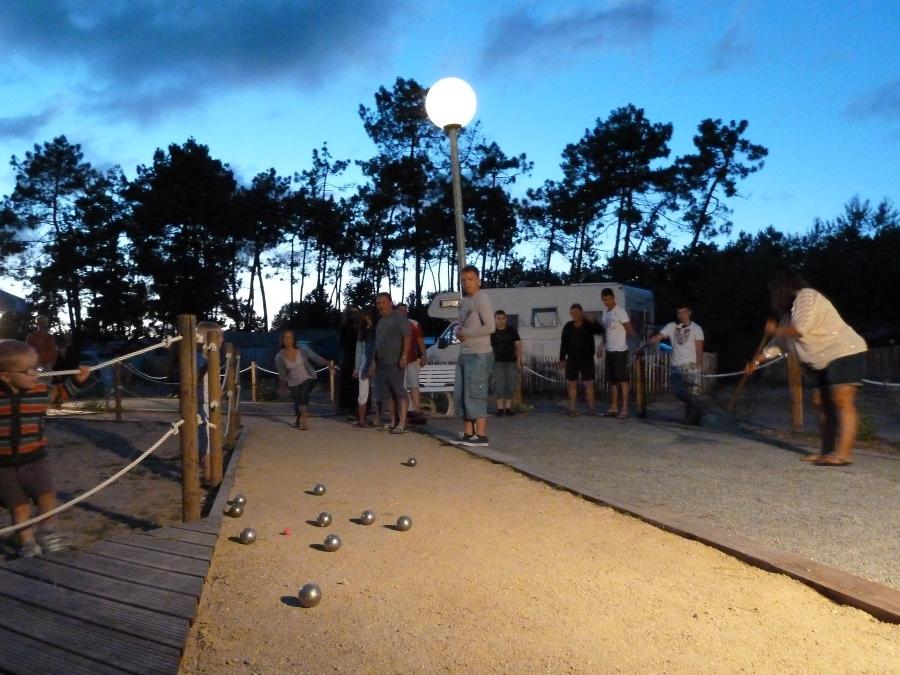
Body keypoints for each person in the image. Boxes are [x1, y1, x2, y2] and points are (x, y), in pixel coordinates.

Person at [746, 270, 867, 466]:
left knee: (842, 401)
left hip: (843, 350)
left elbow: (800, 329)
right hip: (820, 361)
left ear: (783, 288)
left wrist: (775, 330)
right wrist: (756, 362)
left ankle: (843, 454)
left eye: (774, 292)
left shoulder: (806, 296)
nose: (773, 298)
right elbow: (779, 344)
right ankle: (826, 452)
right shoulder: (787, 315)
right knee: (820, 402)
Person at [0, 340, 89, 557]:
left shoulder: (39, 390)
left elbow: (59, 394)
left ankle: (46, 533)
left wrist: (76, 381)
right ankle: (27, 542)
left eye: (37, 368)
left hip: (36, 460)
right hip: (4, 466)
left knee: (47, 497)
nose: (36, 374)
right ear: (5, 376)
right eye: (29, 370)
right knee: (19, 507)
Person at [454, 265, 496, 446]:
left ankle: (481, 435)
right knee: (462, 392)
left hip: (479, 353)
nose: (467, 283)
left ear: (478, 280)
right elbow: (461, 324)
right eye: (463, 280)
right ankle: (468, 432)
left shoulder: (482, 298)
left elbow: (490, 327)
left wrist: (467, 333)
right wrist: (458, 330)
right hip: (465, 352)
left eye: (470, 279)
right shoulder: (464, 301)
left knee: (476, 392)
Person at [646, 305, 705, 424]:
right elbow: (659, 337)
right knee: (676, 391)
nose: (681, 315)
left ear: (689, 313)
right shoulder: (672, 326)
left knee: (691, 393)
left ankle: (691, 419)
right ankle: (697, 409)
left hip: (690, 364)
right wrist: (646, 343)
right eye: (679, 313)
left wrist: (698, 364)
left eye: (684, 312)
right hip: (675, 365)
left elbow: (699, 348)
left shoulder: (696, 328)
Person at [370, 293, 410, 434]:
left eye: (383, 302)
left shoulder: (398, 317)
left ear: (390, 302)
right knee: (387, 394)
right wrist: (374, 361)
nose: (380, 305)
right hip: (382, 362)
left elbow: (407, 336)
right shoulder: (380, 321)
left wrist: (404, 356)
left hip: (395, 361)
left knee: (399, 391)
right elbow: (377, 342)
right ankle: (393, 421)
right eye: (378, 303)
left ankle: (402, 423)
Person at [275, 329, 330, 431]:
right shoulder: (279, 357)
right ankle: (298, 419)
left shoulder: (302, 349)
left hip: (308, 377)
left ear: (293, 339)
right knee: (298, 402)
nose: (287, 340)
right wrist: (282, 387)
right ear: (282, 340)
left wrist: (329, 364)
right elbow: (282, 374)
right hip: (293, 381)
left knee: (303, 393)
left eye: (290, 338)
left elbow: (315, 357)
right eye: (285, 338)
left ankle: (303, 420)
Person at [559, 303, 603, 416]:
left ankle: (591, 409)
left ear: (581, 313)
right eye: (572, 313)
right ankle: (572, 408)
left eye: (576, 312)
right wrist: (562, 359)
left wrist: (594, 321)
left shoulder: (589, 325)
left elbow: (601, 330)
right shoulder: (568, 326)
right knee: (571, 385)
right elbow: (563, 343)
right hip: (572, 359)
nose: (574, 315)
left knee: (589, 385)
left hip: (587, 359)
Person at [599, 288, 635, 419]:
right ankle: (613, 407)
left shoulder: (620, 311)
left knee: (623, 380)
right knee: (612, 381)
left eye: (608, 299)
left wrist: (629, 345)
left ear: (613, 297)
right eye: (604, 299)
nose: (607, 302)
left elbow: (630, 330)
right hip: (610, 350)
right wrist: (601, 346)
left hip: (620, 350)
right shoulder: (605, 313)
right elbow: (605, 331)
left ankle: (625, 409)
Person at [396, 303, 427, 423]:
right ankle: (403, 411)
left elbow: (420, 340)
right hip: (398, 361)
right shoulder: (393, 324)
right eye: (400, 310)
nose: (403, 312)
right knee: (401, 386)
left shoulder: (414, 324)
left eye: (405, 310)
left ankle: (416, 410)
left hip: (412, 360)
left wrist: (424, 355)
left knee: (414, 385)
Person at [490, 309, 522, 416]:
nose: (501, 320)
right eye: (498, 319)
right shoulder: (491, 332)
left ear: (506, 319)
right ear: (495, 320)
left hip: (511, 362)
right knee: (499, 385)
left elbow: (518, 346)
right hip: (497, 363)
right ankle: (500, 408)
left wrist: (519, 361)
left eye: (503, 318)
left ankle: (508, 408)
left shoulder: (512, 330)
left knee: (511, 385)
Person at [352, 309, 376, 427]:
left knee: (379, 393)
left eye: (369, 316)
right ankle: (361, 419)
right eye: (365, 316)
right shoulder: (362, 332)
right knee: (363, 394)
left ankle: (375, 418)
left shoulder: (378, 330)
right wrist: (357, 369)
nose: (367, 318)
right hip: (364, 366)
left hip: (377, 365)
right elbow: (359, 352)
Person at [337, 308, 361, 419]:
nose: (354, 315)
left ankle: (359, 408)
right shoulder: (345, 327)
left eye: (356, 313)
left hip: (358, 357)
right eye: (352, 313)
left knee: (359, 385)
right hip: (349, 359)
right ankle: (349, 408)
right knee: (349, 385)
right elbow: (343, 342)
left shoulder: (361, 326)